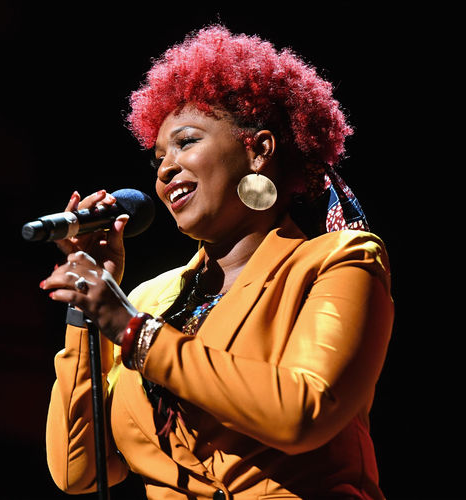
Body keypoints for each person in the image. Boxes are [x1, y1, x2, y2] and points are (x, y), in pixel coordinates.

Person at [42, 25, 394, 499]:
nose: (165, 169)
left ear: (259, 150)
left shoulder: (339, 261)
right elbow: (77, 471)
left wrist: (133, 331)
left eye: (186, 142)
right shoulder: (148, 299)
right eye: (158, 158)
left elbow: (305, 412)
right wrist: (87, 306)